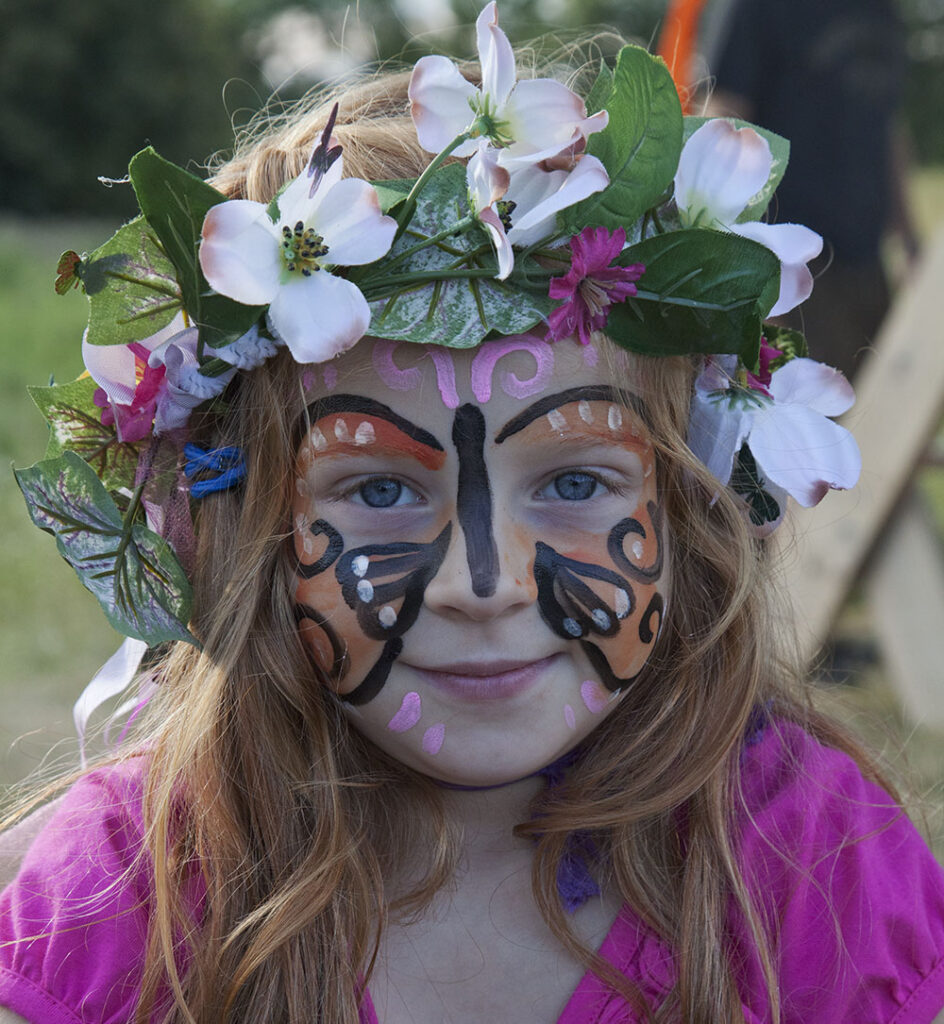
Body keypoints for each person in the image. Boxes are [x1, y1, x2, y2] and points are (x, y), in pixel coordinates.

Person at [2, 5, 943, 1022]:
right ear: (238, 523)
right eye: (377, 489)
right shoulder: (117, 899)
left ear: (684, 501)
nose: (480, 583)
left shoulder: (815, 869)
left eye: (575, 482)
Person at [702, 0, 921, 381]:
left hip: (869, 263)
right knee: (821, 424)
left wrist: (910, 242)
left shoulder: (882, 9)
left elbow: (886, 126)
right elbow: (725, 118)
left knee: (895, 413)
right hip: (793, 266)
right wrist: (752, 274)